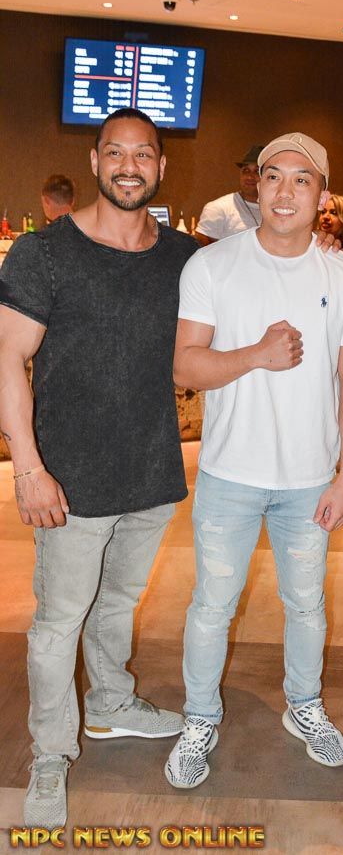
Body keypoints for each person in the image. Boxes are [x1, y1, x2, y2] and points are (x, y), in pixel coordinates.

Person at [0, 108, 200, 829]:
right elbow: (7, 358)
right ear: (94, 161)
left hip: (150, 469)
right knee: (59, 622)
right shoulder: (44, 253)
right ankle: (52, 752)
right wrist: (28, 466)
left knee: (117, 604)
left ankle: (111, 703)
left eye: (142, 154)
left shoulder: (183, 257)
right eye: (115, 152)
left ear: (161, 166)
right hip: (70, 479)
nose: (128, 166)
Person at [164, 132, 343, 789]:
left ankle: (303, 705)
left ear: (323, 195)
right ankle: (199, 718)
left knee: (307, 604)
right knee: (211, 606)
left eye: (302, 179)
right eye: (273, 176)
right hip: (228, 473)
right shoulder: (211, 266)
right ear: (256, 184)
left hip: (310, 480)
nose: (285, 191)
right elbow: (184, 366)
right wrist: (255, 354)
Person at [195, 145, 264, 245]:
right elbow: (200, 249)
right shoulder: (218, 208)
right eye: (245, 171)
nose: (250, 177)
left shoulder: (276, 209)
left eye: (257, 171)